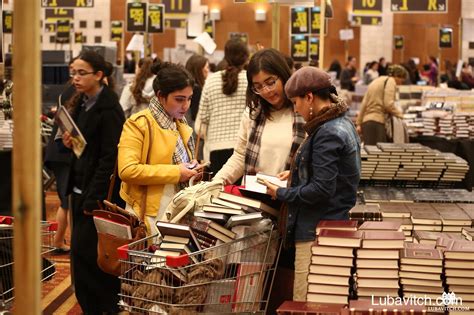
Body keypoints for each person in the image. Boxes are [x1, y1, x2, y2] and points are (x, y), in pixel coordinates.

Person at [260, 66, 360, 301]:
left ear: (309, 97)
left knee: (307, 302)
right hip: (328, 227)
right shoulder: (339, 122)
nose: (296, 109)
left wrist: (283, 193)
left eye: (296, 102)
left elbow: (322, 190)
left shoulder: (327, 132)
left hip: (316, 231)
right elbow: (329, 175)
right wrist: (296, 173)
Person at [61, 50, 125, 314]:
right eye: (73, 72)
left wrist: (94, 199)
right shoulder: (82, 102)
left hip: (96, 197)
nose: (75, 78)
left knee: (97, 258)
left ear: (99, 75)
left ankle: (104, 308)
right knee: (80, 256)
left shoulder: (109, 108)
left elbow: (110, 158)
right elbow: (86, 149)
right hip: (79, 187)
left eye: (82, 73)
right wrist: (71, 143)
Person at [118, 62, 200, 234]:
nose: (186, 105)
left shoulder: (179, 123)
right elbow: (127, 170)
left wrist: (192, 168)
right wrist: (177, 172)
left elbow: (178, 164)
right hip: (148, 214)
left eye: (189, 98)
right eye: (179, 99)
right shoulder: (139, 124)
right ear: (161, 96)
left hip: (178, 209)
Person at [213, 48, 305, 185]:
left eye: (270, 82)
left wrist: (296, 176)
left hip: (290, 197)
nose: (266, 91)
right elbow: (240, 156)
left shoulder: (302, 110)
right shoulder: (253, 113)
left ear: (284, 75)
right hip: (255, 195)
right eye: (258, 87)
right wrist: (217, 182)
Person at [195, 39, 249, 174]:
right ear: (246, 58)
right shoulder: (250, 80)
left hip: (216, 148)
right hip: (243, 147)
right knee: (239, 193)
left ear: (226, 56)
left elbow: (203, 119)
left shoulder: (211, 80)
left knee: (217, 190)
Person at [356, 64, 408, 145]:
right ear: (397, 76)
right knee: (377, 155)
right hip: (377, 123)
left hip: (366, 123)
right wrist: (401, 115)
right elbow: (388, 104)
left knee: (369, 154)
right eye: (402, 80)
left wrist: (358, 124)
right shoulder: (391, 81)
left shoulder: (376, 81)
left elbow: (364, 104)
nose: (400, 84)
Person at [185, 54, 210, 129]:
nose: (208, 70)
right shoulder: (197, 89)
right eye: (207, 67)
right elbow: (196, 115)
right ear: (199, 69)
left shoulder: (187, 86)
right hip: (193, 129)